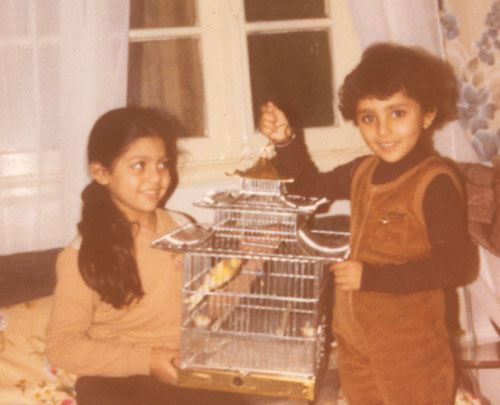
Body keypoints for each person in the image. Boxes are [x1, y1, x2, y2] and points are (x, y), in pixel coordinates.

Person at [259, 43, 477, 404]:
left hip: (411, 348)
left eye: (397, 113)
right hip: (356, 340)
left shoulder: (434, 181)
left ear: (426, 115)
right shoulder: (362, 170)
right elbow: (307, 188)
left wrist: (371, 277)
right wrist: (285, 141)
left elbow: (459, 265)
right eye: (368, 118)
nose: (383, 130)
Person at [46, 107, 248, 405]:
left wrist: (253, 261)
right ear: (101, 172)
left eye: (163, 164)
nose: (156, 177)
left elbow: (209, 310)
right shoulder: (81, 255)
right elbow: (62, 347)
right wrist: (149, 361)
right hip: (119, 379)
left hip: (186, 369)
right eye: (139, 165)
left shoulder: (183, 227)